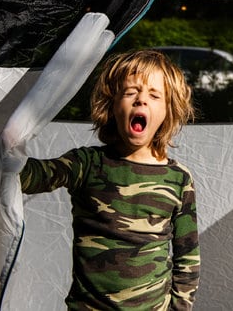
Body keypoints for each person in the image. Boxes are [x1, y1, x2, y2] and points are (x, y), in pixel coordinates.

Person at [19, 49, 200, 310]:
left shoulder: (179, 179)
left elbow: (188, 256)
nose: (141, 101)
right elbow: (31, 177)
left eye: (154, 95)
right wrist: (3, 146)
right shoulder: (87, 164)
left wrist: (178, 308)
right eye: (130, 92)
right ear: (112, 105)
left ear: (168, 110)